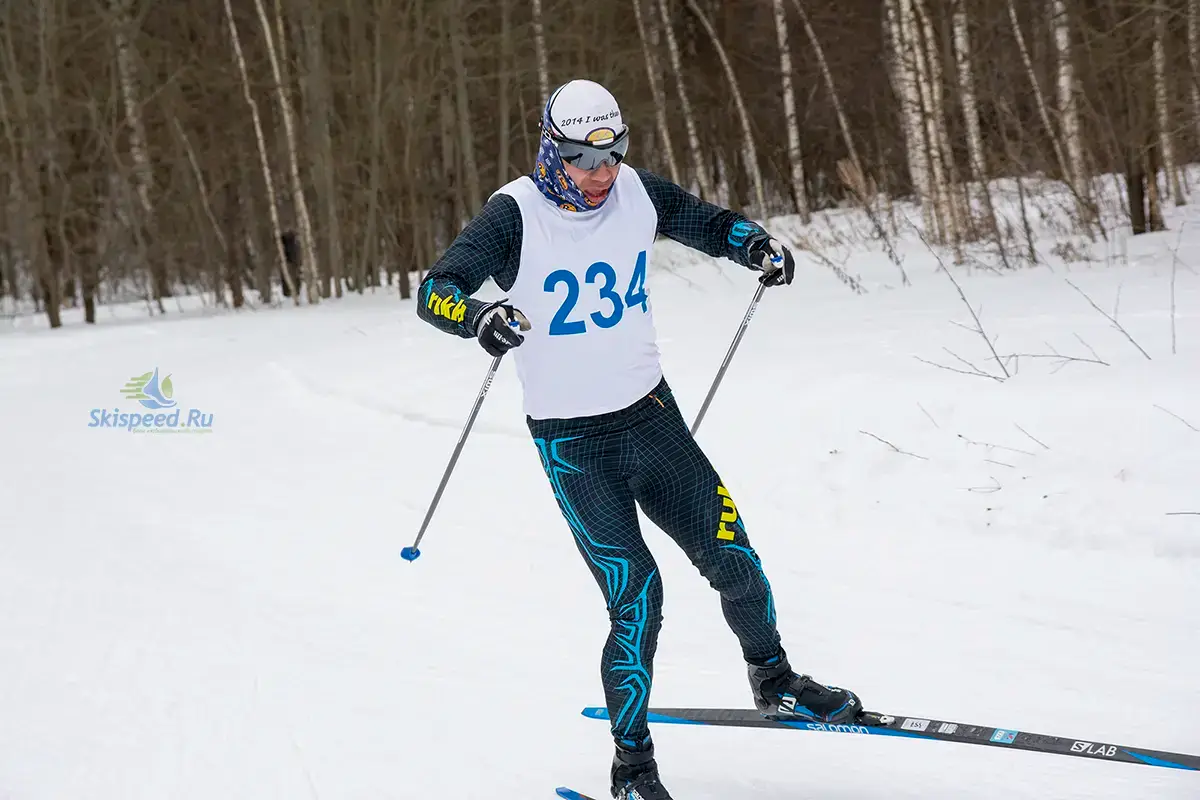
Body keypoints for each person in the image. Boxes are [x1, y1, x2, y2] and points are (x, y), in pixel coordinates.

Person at [416, 79, 862, 800]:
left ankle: (773, 679)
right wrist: (478, 318)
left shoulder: (634, 193)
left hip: (650, 419)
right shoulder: (514, 214)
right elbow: (435, 288)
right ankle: (633, 767)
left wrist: (753, 244)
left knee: (734, 557)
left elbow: (707, 223)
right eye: (584, 162)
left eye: (613, 157)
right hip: (573, 447)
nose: (601, 176)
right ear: (551, 151)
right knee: (639, 599)